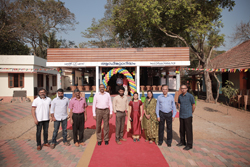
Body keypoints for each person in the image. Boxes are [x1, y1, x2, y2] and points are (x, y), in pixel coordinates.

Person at [177, 84, 196, 150]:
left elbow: (193, 105)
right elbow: (179, 103)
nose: (183, 89)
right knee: (182, 130)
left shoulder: (190, 96)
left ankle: (189, 144)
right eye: (182, 88)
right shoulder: (180, 96)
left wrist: (191, 112)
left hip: (188, 116)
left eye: (184, 88)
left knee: (188, 131)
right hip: (181, 115)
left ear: (187, 89)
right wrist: (180, 109)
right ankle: (182, 142)